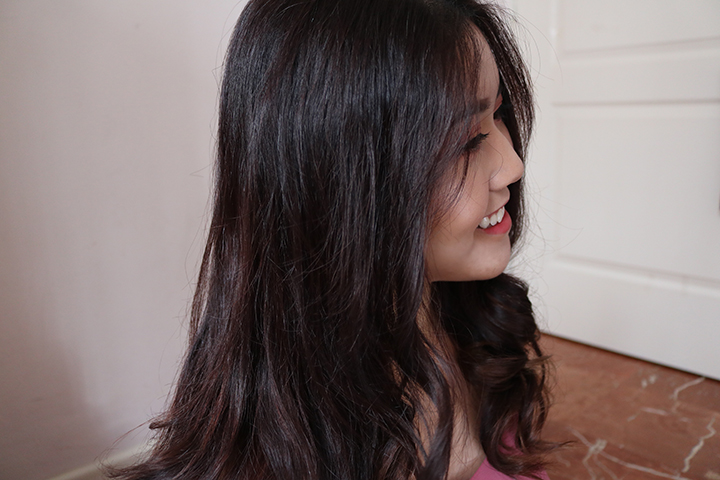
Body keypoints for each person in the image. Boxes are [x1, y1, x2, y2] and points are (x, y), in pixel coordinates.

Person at [110, 0, 555, 479]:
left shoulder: (476, 330)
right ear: (338, 182)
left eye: (498, 114)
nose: (513, 165)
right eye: (467, 140)